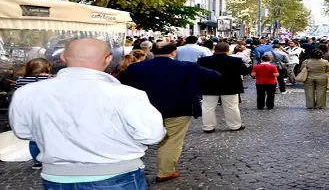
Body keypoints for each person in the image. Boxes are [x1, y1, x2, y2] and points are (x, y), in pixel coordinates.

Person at [10, 38, 165, 189]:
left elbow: (23, 132)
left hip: (56, 177)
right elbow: (152, 134)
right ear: (108, 59)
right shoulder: (127, 94)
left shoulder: (27, 93)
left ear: (63, 57)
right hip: (116, 174)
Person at [120, 42, 219, 183]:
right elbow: (214, 76)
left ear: (152, 51)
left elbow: (124, 86)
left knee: (137, 139)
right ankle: (165, 172)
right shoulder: (187, 67)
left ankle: (128, 169)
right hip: (179, 108)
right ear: (173, 52)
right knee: (171, 141)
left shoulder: (135, 68)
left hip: (145, 109)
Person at [197, 42, 250, 133]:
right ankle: (235, 125)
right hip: (230, 86)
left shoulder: (203, 60)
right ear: (227, 50)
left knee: (208, 107)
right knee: (231, 107)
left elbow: (198, 73)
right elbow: (244, 71)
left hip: (209, 86)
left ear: (214, 49)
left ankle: (208, 127)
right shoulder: (235, 61)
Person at [13, 58, 52, 170]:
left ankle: (36, 162)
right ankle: (48, 158)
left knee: (33, 139)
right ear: (44, 68)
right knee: (48, 136)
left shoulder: (20, 80)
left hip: (28, 112)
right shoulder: (45, 79)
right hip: (44, 111)